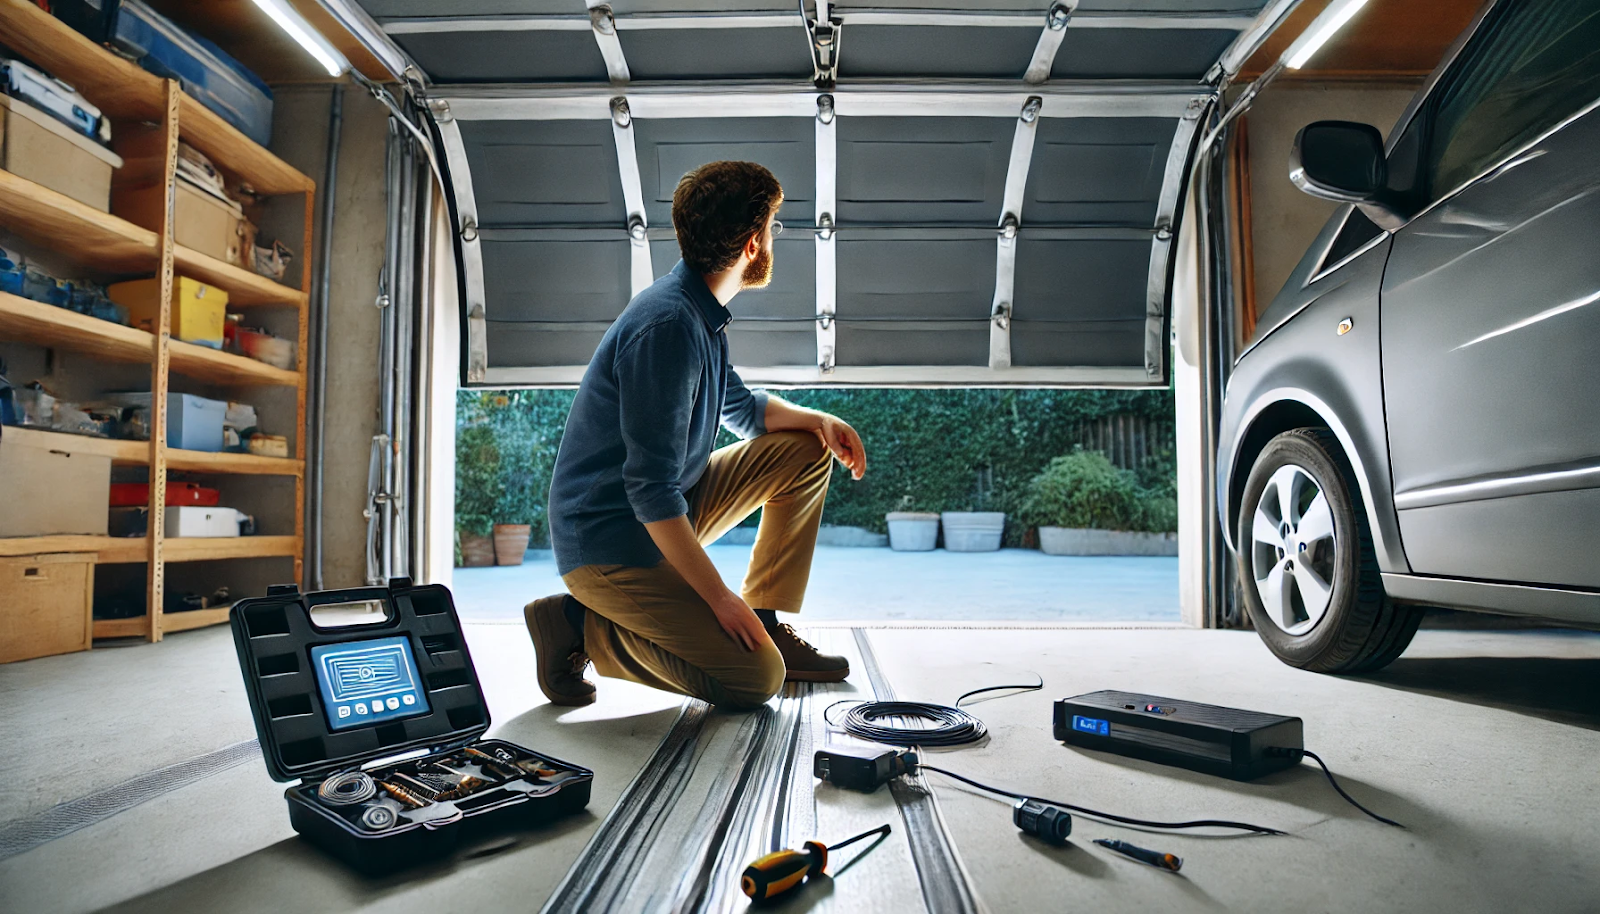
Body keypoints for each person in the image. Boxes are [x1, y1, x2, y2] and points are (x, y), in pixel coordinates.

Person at [524, 160, 867, 711]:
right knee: (754, 679)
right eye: (772, 227)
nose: (773, 238)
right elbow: (650, 491)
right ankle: (579, 624)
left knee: (805, 450)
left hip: (659, 509)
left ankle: (766, 615)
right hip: (610, 543)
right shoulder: (668, 328)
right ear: (753, 244)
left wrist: (818, 423)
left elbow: (743, 409)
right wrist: (718, 598)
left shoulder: (698, 311)